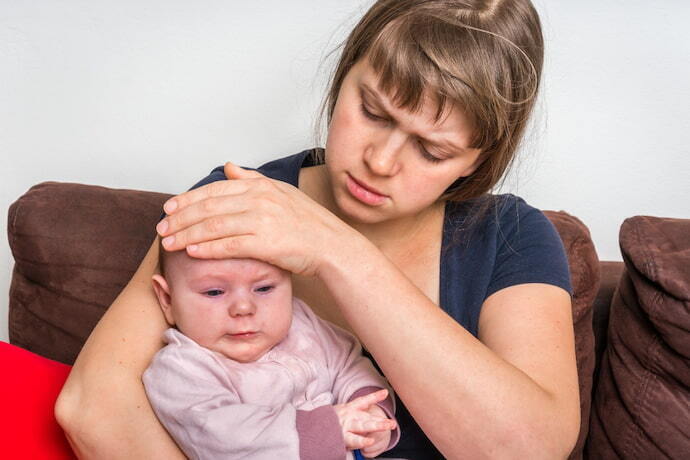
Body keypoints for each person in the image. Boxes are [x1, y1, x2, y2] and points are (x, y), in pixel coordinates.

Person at [56, 1, 581, 458]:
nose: (380, 161)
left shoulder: (512, 235)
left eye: (431, 149)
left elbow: (529, 448)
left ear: (476, 160)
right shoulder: (238, 198)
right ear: (343, 75)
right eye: (373, 111)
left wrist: (336, 250)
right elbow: (92, 408)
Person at [142, 248, 398, 459]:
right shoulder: (181, 369)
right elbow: (223, 436)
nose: (244, 307)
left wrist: (370, 410)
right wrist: (330, 427)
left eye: (264, 288)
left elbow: (348, 363)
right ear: (167, 299)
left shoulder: (302, 322)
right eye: (214, 292)